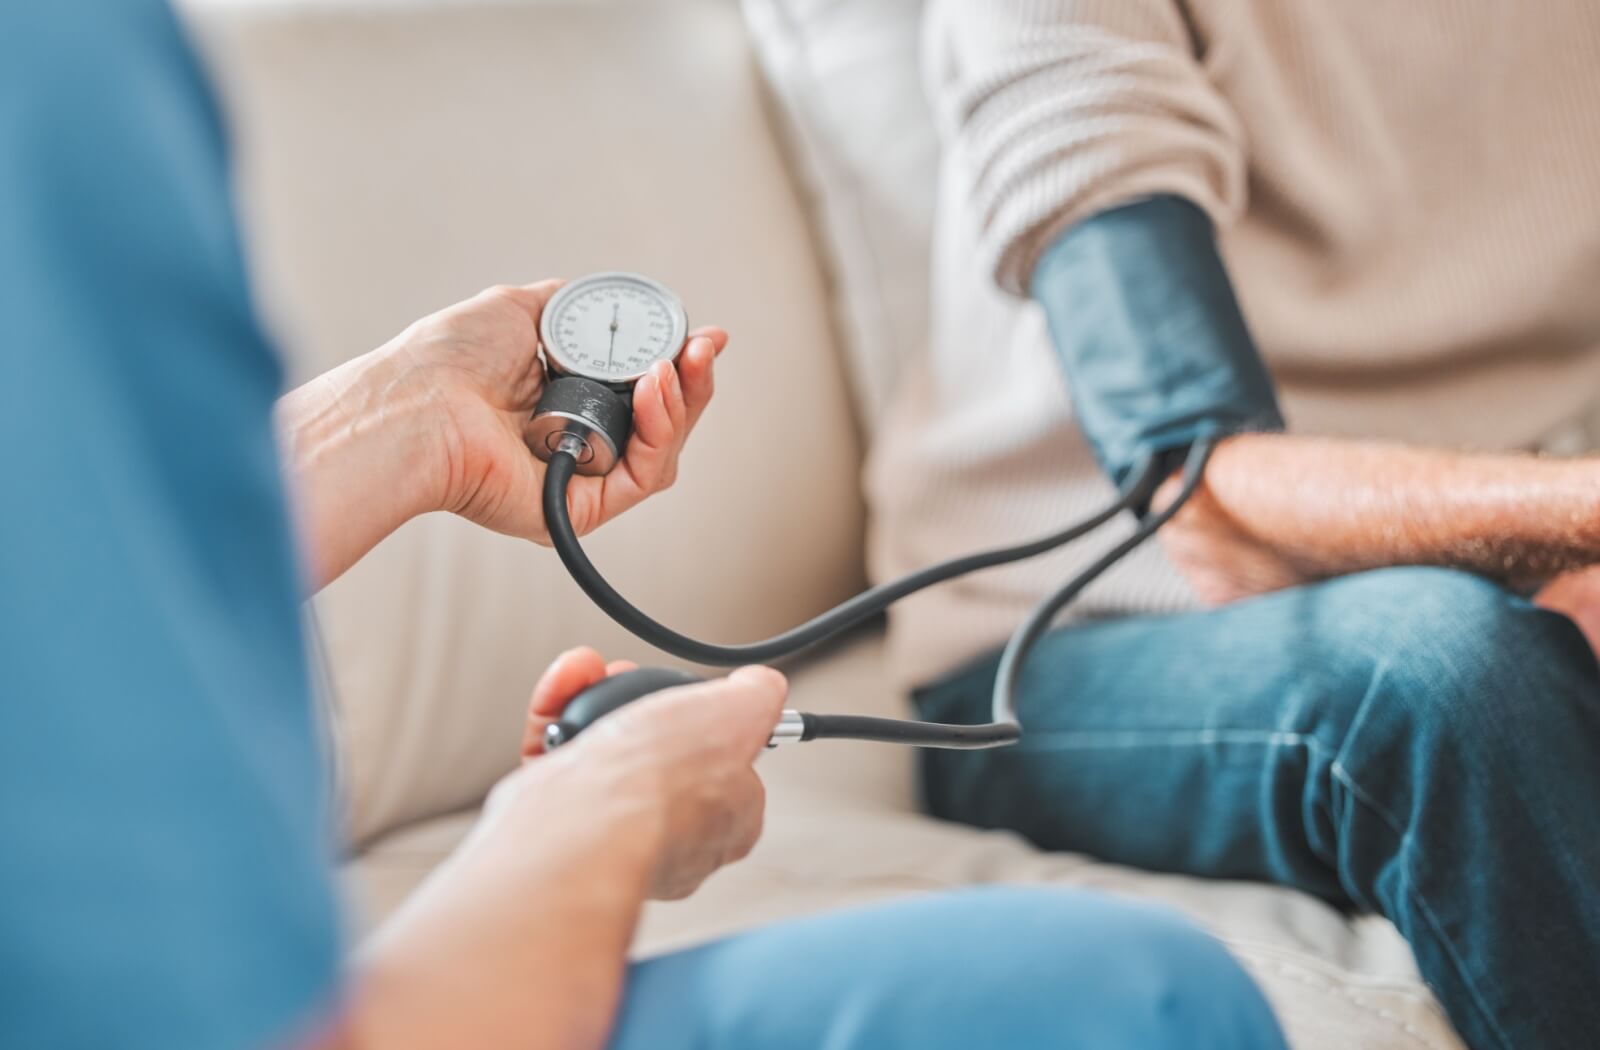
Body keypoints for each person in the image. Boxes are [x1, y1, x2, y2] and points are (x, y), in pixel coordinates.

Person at [0, 3, 1291, 1049]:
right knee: (1138, 1002)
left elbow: (67, 614)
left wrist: (400, 414)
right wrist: (611, 804)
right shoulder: (62, 80)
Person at [867, 4, 1600, 1050]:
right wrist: (1572, 520)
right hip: (1077, 632)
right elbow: (1200, 497)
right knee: (1438, 672)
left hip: (1491, 549)